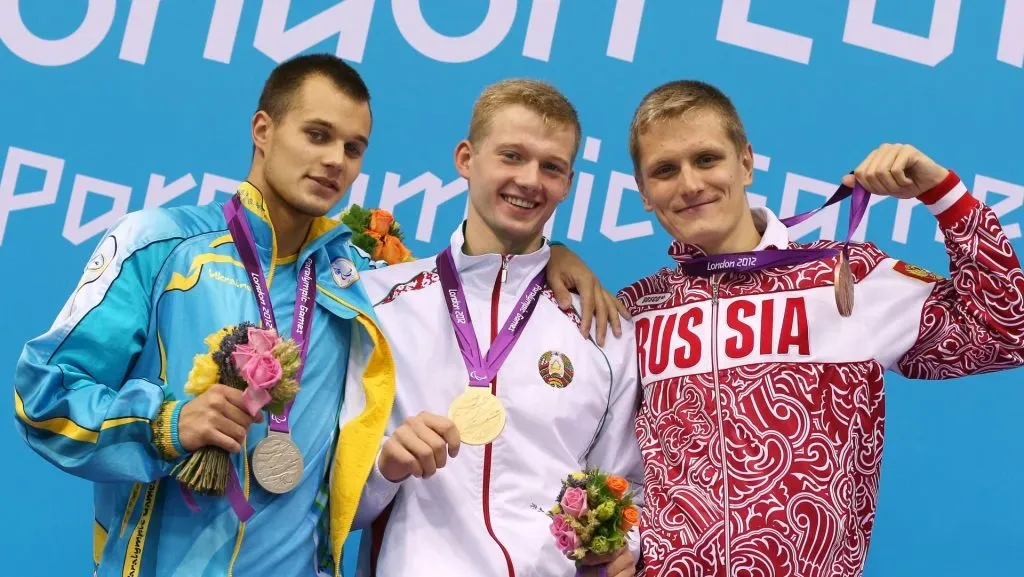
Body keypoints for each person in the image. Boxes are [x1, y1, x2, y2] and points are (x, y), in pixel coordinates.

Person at [12, 54, 622, 577]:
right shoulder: (158, 244)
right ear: (263, 129)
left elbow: (476, 274)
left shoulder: (354, 282)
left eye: (353, 148)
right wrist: (167, 423)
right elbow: (40, 397)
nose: (335, 160)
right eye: (317, 135)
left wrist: (553, 258)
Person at [615, 80, 1024, 576]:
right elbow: (592, 453)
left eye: (706, 159)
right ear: (642, 192)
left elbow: (1007, 332)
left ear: (745, 163)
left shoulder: (848, 276)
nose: (690, 184)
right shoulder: (635, 312)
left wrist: (943, 194)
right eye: (664, 170)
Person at [342, 79, 645, 577]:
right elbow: (335, 506)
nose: (530, 180)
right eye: (511, 155)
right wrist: (384, 467)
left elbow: (625, 489)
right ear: (466, 158)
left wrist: (616, 542)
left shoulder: (605, 332)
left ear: (568, 183)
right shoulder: (378, 306)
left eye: (552, 167)